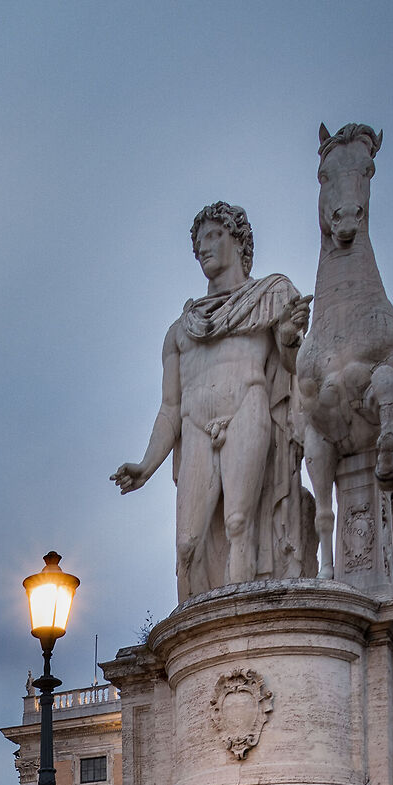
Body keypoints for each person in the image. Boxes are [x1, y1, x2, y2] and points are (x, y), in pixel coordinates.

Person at [112, 202, 313, 599]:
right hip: (195, 425)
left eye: (213, 236)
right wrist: (147, 465)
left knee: (239, 524)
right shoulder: (181, 329)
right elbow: (170, 407)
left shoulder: (270, 297)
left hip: (248, 408)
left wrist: (291, 335)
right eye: (199, 242)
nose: (203, 247)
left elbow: (293, 369)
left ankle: (241, 626)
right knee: (188, 544)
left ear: (238, 241)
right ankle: (197, 630)